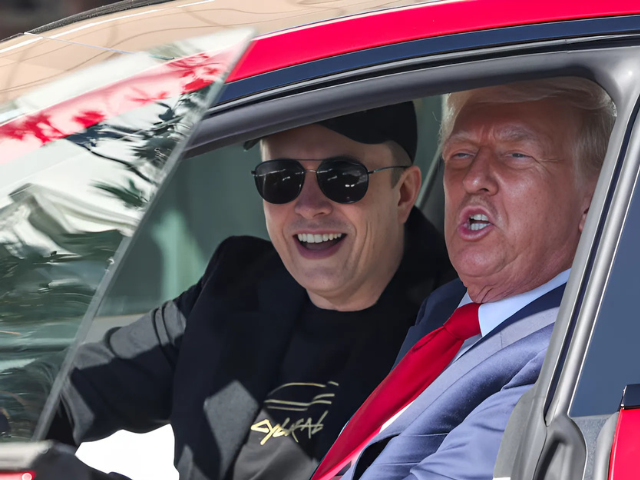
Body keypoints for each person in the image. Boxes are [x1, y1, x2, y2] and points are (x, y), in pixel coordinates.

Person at [7, 103, 454, 480]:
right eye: (282, 178)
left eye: (342, 177)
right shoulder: (236, 285)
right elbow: (69, 390)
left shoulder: (459, 324)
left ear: (403, 193)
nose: (309, 205)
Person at [311, 77, 616, 480]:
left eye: (516, 154)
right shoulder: (447, 306)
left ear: (591, 202)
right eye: (461, 153)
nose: (473, 178)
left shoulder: (565, 355)